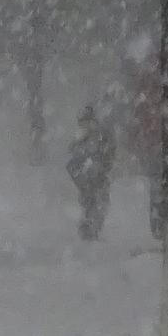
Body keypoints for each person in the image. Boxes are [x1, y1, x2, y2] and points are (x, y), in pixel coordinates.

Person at [67, 102, 118, 242]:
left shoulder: (101, 134)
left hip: (97, 175)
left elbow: (109, 151)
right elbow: (73, 154)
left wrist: (103, 165)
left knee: (98, 202)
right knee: (91, 201)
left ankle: (91, 227)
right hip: (88, 177)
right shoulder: (83, 136)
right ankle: (88, 227)